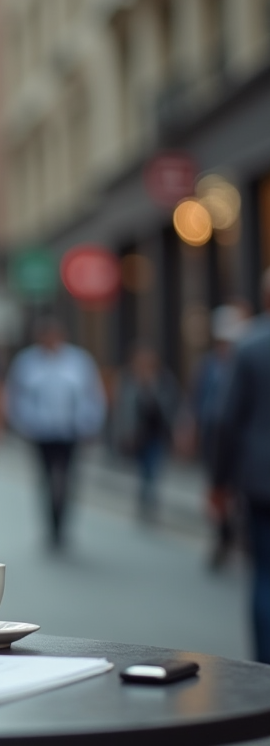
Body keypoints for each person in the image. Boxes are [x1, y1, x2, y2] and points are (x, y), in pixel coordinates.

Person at [4, 316, 106, 551]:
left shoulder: (79, 361)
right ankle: (50, 527)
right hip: (41, 433)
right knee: (46, 480)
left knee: (68, 480)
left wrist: (91, 424)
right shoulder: (27, 362)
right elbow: (15, 396)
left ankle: (63, 526)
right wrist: (24, 424)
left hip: (71, 431)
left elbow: (92, 394)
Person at [215, 270, 270, 663]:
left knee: (265, 575)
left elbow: (227, 420)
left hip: (261, 480)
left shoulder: (250, 346)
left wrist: (218, 482)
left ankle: (264, 668)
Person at [194, 303, 250, 569]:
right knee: (220, 495)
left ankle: (235, 536)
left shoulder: (248, 361)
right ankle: (223, 536)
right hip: (215, 440)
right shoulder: (210, 365)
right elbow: (200, 401)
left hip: (243, 445)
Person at [113, 344, 180, 523]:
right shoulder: (128, 378)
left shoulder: (163, 378)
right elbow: (123, 409)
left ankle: (150, 501)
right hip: (138, 435)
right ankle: (145, 499)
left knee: (153, 468)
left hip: (157, 433)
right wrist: (124, 433)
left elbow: (171, 405)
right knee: (143, 469)